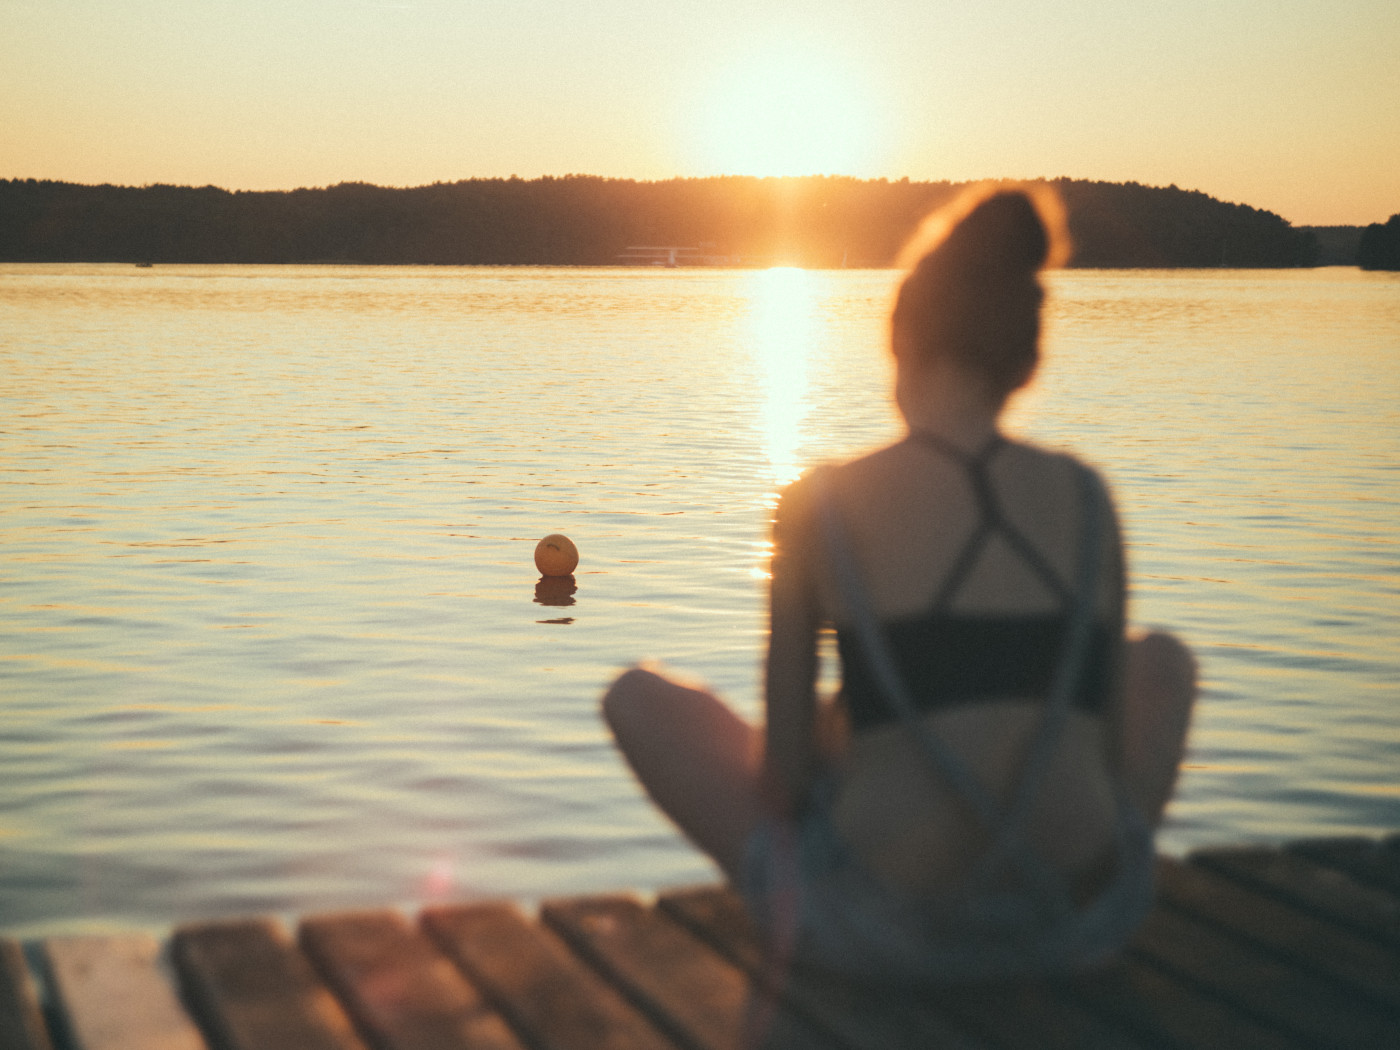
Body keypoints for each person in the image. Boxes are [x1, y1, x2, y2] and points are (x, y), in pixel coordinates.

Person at [602, 183, 1196, 983]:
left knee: (640, 698)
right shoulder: (1088, 498)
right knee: (1163, 660)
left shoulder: (822, 505)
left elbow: (781, 787)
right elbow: (1108, 753)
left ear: (898, 341)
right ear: (1025, 361)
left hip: (881, 932)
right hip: (1077, 922)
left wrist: (847, 741)